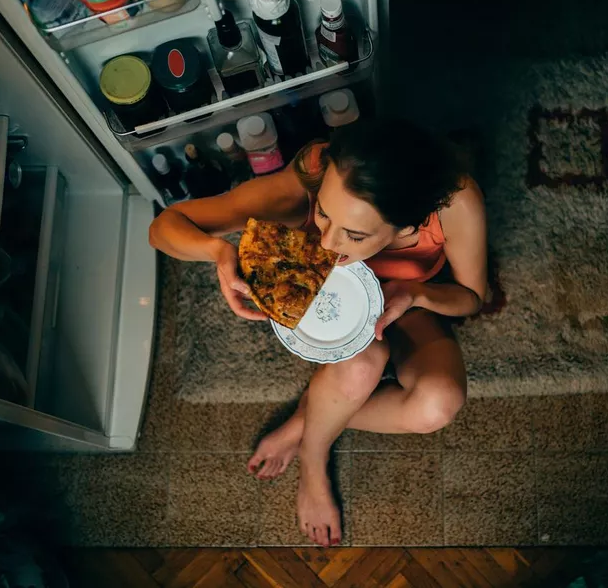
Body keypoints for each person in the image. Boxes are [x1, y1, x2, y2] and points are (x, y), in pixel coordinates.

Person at [149, 118, 489, 548]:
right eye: (324, 214)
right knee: (361, 365)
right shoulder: (314, 172)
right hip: (318, 306)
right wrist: (219, 251)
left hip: (403, 301)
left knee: (438, 406)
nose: (328, 243)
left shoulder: (454, 202)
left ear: (407, 226)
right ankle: (314, 458)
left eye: (355, 234)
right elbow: (163, 228)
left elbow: (472, 297)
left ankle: (309, 419)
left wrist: (417, 293)